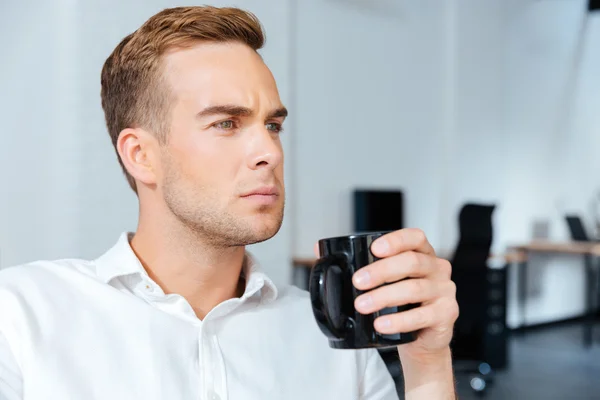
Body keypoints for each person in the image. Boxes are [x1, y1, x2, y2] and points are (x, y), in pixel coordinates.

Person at [0, 6, 458, 400]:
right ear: (141, 156)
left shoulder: (328, 339)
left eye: (273, 125)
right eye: (226, 124)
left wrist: (428, 363)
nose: (271, 152)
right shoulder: (21, 317)